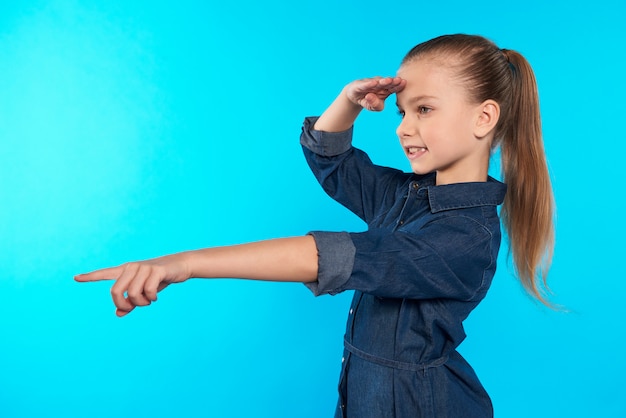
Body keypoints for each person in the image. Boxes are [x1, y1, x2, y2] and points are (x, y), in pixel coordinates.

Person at [76, 34, 555, 417]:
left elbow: (335, 256)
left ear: (484, 117)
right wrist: (347, 100)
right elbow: (331, 158)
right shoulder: (401, 194)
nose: (402, 127)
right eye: (403, 111)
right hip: (367, 396)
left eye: (424, 109)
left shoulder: (467, 237)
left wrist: (183, 264)